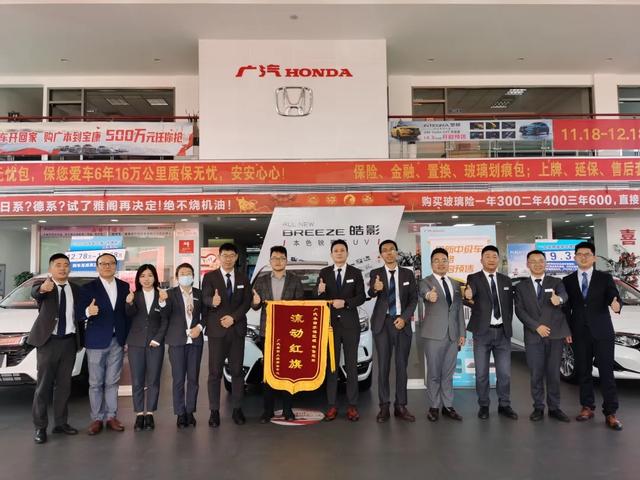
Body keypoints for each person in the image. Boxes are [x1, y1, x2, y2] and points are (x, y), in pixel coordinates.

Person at [562, 241, 623, 430]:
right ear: (574, 258)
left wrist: (616, 304)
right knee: (583, 371)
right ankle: (587, 407)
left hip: (603, 332)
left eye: (587, 254)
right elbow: (566, 309)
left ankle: (611, 412)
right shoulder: (568, 280)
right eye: (579, 254)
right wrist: (566, 331)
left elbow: (613, 296)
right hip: (579, 332)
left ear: (594, 257)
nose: (583, 257)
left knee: (606, 373)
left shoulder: (605, 278)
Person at [28, 253, 84, 444]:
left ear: (70, 268)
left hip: (69, 343)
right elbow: (36, 293)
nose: (62, 268)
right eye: (58, 265)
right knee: (43, 387)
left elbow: (80, 314)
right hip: (48, 342)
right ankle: (40, 427)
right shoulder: (46, 286)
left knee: (64, 386)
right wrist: (42, 289)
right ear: (51, 268)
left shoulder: (76, 289)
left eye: (66, 265)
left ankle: (60, 423)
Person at [514, 250, 571, 422]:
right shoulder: (521, 287)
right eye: (533, 261)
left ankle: (554, 408)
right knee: (536, 374)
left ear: (546, 263)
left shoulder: (556, 282)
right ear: (527, 264)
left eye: (541, 261)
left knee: (553, 374)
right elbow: (519, 310)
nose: (538, 264)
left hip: (555, 335)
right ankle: (538, 407)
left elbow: (564, 295)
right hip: (533, 336)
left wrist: (559, 300)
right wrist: (536, 326)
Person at [251, 245, 304, 423]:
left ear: (286, 261)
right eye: (275, 258)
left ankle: (288, 410)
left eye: (281, 258)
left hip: (289, 333)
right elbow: (255, 306)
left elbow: (300, 305)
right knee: (269, 372)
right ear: (270, 260)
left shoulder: (295, 280)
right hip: (268, 332)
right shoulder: (262, 281)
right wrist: (255, 302)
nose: (278, 261)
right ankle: (268, 411)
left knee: (288, 371)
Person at [80, 252, 131, 435]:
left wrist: (126, 338)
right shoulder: (88, 288)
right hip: (96, 341)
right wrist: (88, 311)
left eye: (111, 263)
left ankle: (111, 417)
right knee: (95, 383)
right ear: (97, 267)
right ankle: (96, 418)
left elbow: (126, 314)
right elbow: (78, 312)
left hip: (117, 341)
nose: (107, 266)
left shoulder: (124, 286)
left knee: (112, 381)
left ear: (116, 266)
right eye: (103, 263)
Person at [201, 243, 252, 426]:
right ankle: (214, 411)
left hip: (236, 330)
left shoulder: (243, 277)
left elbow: (246, 302)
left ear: (236, 257)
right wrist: (212, 301)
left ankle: (237, 409)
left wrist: (233, 318)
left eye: (231, 255)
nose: (228, 259)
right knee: (214, 373)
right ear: (219, 257)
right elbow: (205, 298)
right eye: (225, 255)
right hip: (217, 331)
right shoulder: (210, 277)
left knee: (237, 371)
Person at [464, 245, 517, 420]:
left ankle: (504, 404)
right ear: (481, 260)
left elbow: (509, 306)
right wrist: (468, 295)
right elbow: (470, 294)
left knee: (505, 374)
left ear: (498, 260)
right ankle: (484, 405)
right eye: (487, 256)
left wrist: (507, 325)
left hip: (503, 333)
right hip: (482, 333)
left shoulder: (506, 280)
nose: (491, 259)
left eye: (494, 256)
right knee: (481, 374)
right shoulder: (474, 278)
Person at [368, 239, 418, 422]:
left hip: (401, 323)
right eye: (385, 250)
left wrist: (404, 318)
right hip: (382, 324)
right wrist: (375, 289)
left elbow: (413, 299)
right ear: (381, 254)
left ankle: (400, 406)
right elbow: (370, 294)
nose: (389, 253)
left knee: (401, 366)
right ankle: (384, 406)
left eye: (392, 249)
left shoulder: (407, 274)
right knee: (383, 366)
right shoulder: (376, 273)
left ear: (396, 252)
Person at [316, 239, 366, 422]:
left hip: (351, 325)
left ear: (347, 253)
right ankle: (332, 405)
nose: (339, 253)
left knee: (352, 366)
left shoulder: (355, 273)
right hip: (330, 326)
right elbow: (317, 298)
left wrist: (345, 303)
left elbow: (361, 297)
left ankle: (352, 406)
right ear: (331, 254)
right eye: (335, 250)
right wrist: (319, 291)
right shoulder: (324, 272)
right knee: (332, 366)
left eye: (342, 250)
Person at [419, 247, 465, 422]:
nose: (441, 263)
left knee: (448, 373)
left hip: (453, 335)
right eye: (436, 260)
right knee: (434, 373)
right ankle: (434, 406)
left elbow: (458, 310)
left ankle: (448, 406)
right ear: (431, 264)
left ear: (448, 262)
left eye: (444, 260)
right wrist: (428, 295)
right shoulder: (425, 282)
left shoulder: (455, 284)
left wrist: (462, 333)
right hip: (433, 335)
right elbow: (424, 293)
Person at [160, 263, 204, 429]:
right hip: (176, 341)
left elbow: (206, 315)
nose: (186, 275)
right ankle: (180, 413)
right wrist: (162, 302)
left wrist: (199, 328)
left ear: (193, 276)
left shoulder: (199, 294)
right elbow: (164, 315)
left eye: (189, 273)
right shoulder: (170, 294)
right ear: (177, 277)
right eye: (183, 273)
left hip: (195, 342)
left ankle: (190, 412)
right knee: (178, 379)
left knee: (193, 379)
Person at [125, 264, 167, 432]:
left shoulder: (162, 295)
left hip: (155, 343)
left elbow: (166, 320)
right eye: (143, 276)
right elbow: (129, 315)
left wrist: (158, 339)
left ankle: (149, 413)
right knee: (137, 380)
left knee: (154, 379)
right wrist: (129, 303)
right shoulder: (133, 295)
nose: (146, 279)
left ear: (155, 277)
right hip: (136, 343)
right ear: (138, 279)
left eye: (150, 275)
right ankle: (138, 414)